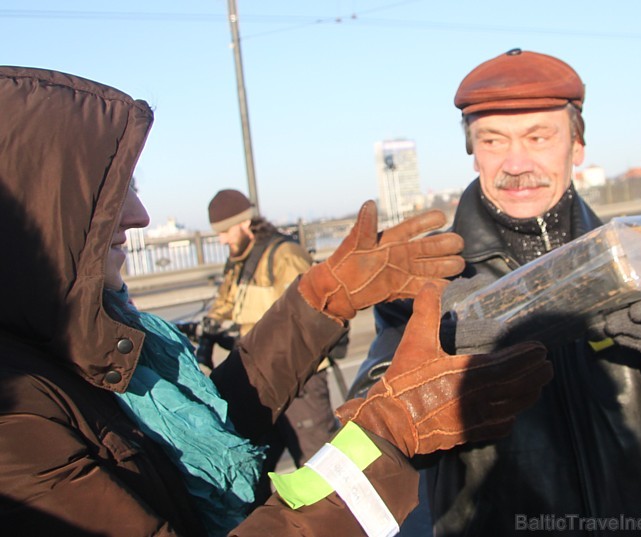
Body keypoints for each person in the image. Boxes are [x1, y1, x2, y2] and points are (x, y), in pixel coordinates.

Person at [0, 66, 554, 537]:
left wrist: (319, 302)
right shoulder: (14, 422)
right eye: (110, 195)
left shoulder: (76, 344)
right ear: (40, 220)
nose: (138, 217)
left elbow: (216, 424)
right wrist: (386, 436)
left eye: (134, 188)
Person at [350, 48, 641, 536]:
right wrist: (429, 381)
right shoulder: (425, 282)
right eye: (493, 140)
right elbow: (367, 440)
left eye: (539, 137)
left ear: (577, 145)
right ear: (472, 149)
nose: (516, 164)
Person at [202, 189, 339, 480]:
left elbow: (308, 316)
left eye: (225, 231)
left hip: (300, 377)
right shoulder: (240, 260)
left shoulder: (284, 256)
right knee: (253, 470)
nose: (222, 239)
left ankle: (345, 521)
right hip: (260, 378)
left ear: (244, 223)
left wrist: (238, 329)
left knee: (319, 468)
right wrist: (210, 326)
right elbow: (225, 303)